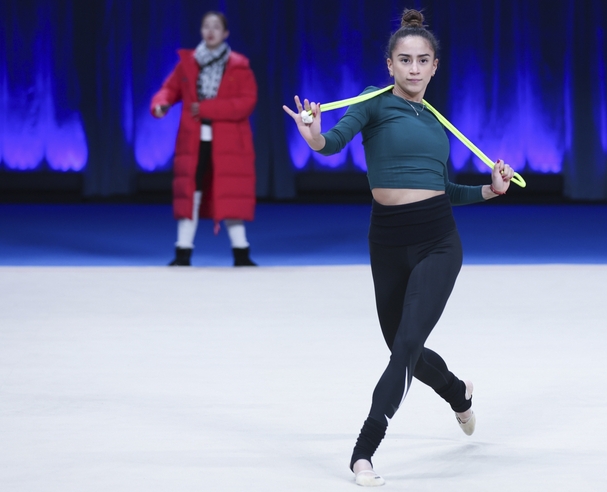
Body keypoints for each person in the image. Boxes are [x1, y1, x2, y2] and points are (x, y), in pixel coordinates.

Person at [283, 9, 513, 487]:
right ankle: (457, 393)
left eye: (422, 60)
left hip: (438, 241)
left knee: (405, 345)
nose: (413, 68)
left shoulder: (434, 121)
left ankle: (363, 452)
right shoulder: (371, 104)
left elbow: (443, 188)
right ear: (389, 64)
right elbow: (333, 141)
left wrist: (490, 190)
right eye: (404, 59)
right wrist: (314, 137)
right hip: (387, 240)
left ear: (434, 67)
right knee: (400, 345)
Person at [151, 11, 258, 266]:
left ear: (225, 33)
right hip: (194, 141)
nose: (210, 31)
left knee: (230, 193)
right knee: (191, 192)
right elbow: (169, 89)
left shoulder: (238, 65)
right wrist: (161, 103)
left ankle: (241, 253)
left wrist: (208, 108)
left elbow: (246, 102)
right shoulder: (188, 63)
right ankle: (182, 252)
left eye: (216, 27)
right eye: (206, 26)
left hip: (230, 142)